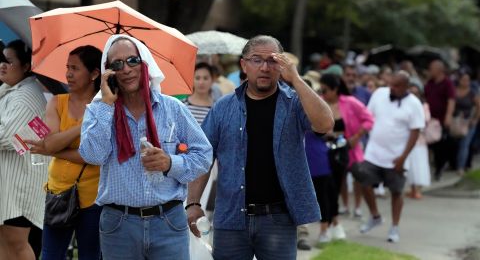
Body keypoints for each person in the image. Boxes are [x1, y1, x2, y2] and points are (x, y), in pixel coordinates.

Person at [186, 35, 334, 260]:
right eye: (256, 60)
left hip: (279, 218)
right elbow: (203, 157)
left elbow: (325, 124)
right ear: (244, 65)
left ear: (282, 65)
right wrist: (194, 203)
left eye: (273, 60)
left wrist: (295, 79)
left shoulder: (294, 103)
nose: (265, 67)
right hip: (231, 218)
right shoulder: (223, 108)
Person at [78, 34, 213, 260]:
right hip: (119, 226)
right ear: (108, 72)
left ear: (145, 64)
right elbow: (93, 155)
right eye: (117, 64)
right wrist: (106, 106)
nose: (126, 69)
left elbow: (204, 156)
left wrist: (171, 163)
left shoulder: (173, 109)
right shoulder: (98, 110)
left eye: (132, 60)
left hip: (168, 221)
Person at [25, 45, 103, 259]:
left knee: (90, 255)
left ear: (95, 73)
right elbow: (50, 143)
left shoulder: (105, 108)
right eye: (67, 67)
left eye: (75, 68)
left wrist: (54, 149)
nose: (68, 73)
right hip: (59, 192)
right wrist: (81, 126)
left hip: (94, 198)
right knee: (50, 255)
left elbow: (94, 156)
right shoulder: (57, 102)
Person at [352, 71, 425, 243]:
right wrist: (359, 136)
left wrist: (403, 157)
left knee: (396, 192)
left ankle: (394, 227)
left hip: (396, 156)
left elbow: (415, 132)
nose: (392, 88)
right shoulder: (379, 94)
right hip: (374, 152)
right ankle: (375, 216)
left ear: (406, 87)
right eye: (391, 84)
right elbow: (367, 117)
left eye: (397, 86)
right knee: (363, 181)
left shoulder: (414, 104)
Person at [0, 39, 48, 260]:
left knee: (16, 242)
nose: (2, 65)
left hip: (21, 184)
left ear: (26, 66)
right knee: (5, 240)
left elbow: (7, 138)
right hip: (12, 180)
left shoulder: (27, 95)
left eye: (8, 61)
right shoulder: (12, 91)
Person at [320, 73, 374, 218]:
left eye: (325, 90)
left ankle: (357, 206)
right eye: (321, 91)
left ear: (335, 89)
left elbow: (369, 119)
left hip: (350, 145)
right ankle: (343, 205)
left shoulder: (350, 102)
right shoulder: (320, 102)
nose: (323, 94)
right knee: (338, 178)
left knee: (358, 177)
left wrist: (357, 137)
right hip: (329, 146)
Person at [425, 59, 456, 180]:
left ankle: (440, 167)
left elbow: (451, 100)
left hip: (441, 119)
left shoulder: (447, 83)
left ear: (439, 70)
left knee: (440, 145)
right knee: (431, 144)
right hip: (430, 118)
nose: (429, 71)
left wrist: (448, 116)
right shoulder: (430, 83)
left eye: (431, 69)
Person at [404, 83, 431, 199]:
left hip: (419, 141)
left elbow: (425, 120)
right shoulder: (405, 105)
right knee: (410, 166)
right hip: (407, 139)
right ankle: (412, 188)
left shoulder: (423, 106)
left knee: (419, 165)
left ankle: (418, 190)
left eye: (416, 92)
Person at [452, 72, 480, 175]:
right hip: (455, 121)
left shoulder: (472, 93)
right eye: (463, 80)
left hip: (468, 122)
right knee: (454, 144)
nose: (466, 82)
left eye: (467, 80)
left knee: (464, 144)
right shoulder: (454, 91)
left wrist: (475, 119)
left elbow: (478, 107)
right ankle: (453, 164)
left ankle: (461, 167)